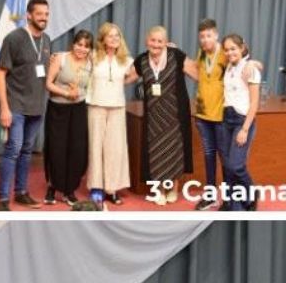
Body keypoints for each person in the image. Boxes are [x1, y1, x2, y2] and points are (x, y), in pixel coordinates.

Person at [0, 0, 52, 211]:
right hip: (15, 105)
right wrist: (4, 108)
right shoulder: (14, 38)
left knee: (27, 151)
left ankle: (21, 193)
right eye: (39, 14)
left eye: (46, 14)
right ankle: (2, 200)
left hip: (36, 107)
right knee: (14, 149)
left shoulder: (47, 40)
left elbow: (43, 72)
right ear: (29, 15)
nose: (44, 18)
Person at [132, 26, 195, 207]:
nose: (156, 44)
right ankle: (159, 190)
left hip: (175, 113)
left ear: (166, 42)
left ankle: (173, 188)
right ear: (147, 41)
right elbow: (124, 77)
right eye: (153, 40)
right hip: (154, 116)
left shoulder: (177, 55)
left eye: (160, 41)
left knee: (174, 150)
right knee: (156, 152)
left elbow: (198, 73)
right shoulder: (142, 60)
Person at [86, 22, 136, 206]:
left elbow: (135, 74)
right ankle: (96, 187)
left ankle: (112, 189)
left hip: (117, 107)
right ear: (103, 39)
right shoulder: (92, 56)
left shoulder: (127, 60)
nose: (114, 39)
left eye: (117, 35)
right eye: (110, 35)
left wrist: (121, 83)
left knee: (115, 149)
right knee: (96, 147)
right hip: (96, 105)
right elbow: (76, 59)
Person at [43, 30, 93, 206]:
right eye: (79, 44)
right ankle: (52, 187)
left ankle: (69, 190)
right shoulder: (60, 58)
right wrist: (66, 93)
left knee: (77, 150)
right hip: (58, 109)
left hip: (79, 110)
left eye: (86, 46)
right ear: (73, 44)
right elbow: (48, 84)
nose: (82, 49)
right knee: (57, 149)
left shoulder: (91, 62)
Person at [219, 33, 260, 211]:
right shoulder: (228, 66)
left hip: (241, 120)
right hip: (226, 118)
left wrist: (244, 129)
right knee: (226, 166)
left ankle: (252, 192)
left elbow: (254, 103)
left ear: (242, 48)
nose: (229, 53)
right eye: (226, 50)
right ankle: (229, 201)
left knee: (235, 165)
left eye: (233, 49)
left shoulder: (250, 69)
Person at [193, 18, 228, 211]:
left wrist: (252, 63)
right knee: (208, 155)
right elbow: (199, 73)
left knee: (225, 157)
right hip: (203, 115)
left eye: (208, 35)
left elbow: (243, 60)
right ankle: (210, 196)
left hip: (221, 115)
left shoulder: (225, 52)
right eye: (202, 36)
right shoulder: (201, 53)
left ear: (216, 35)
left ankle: (230, 198)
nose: (205, 40)